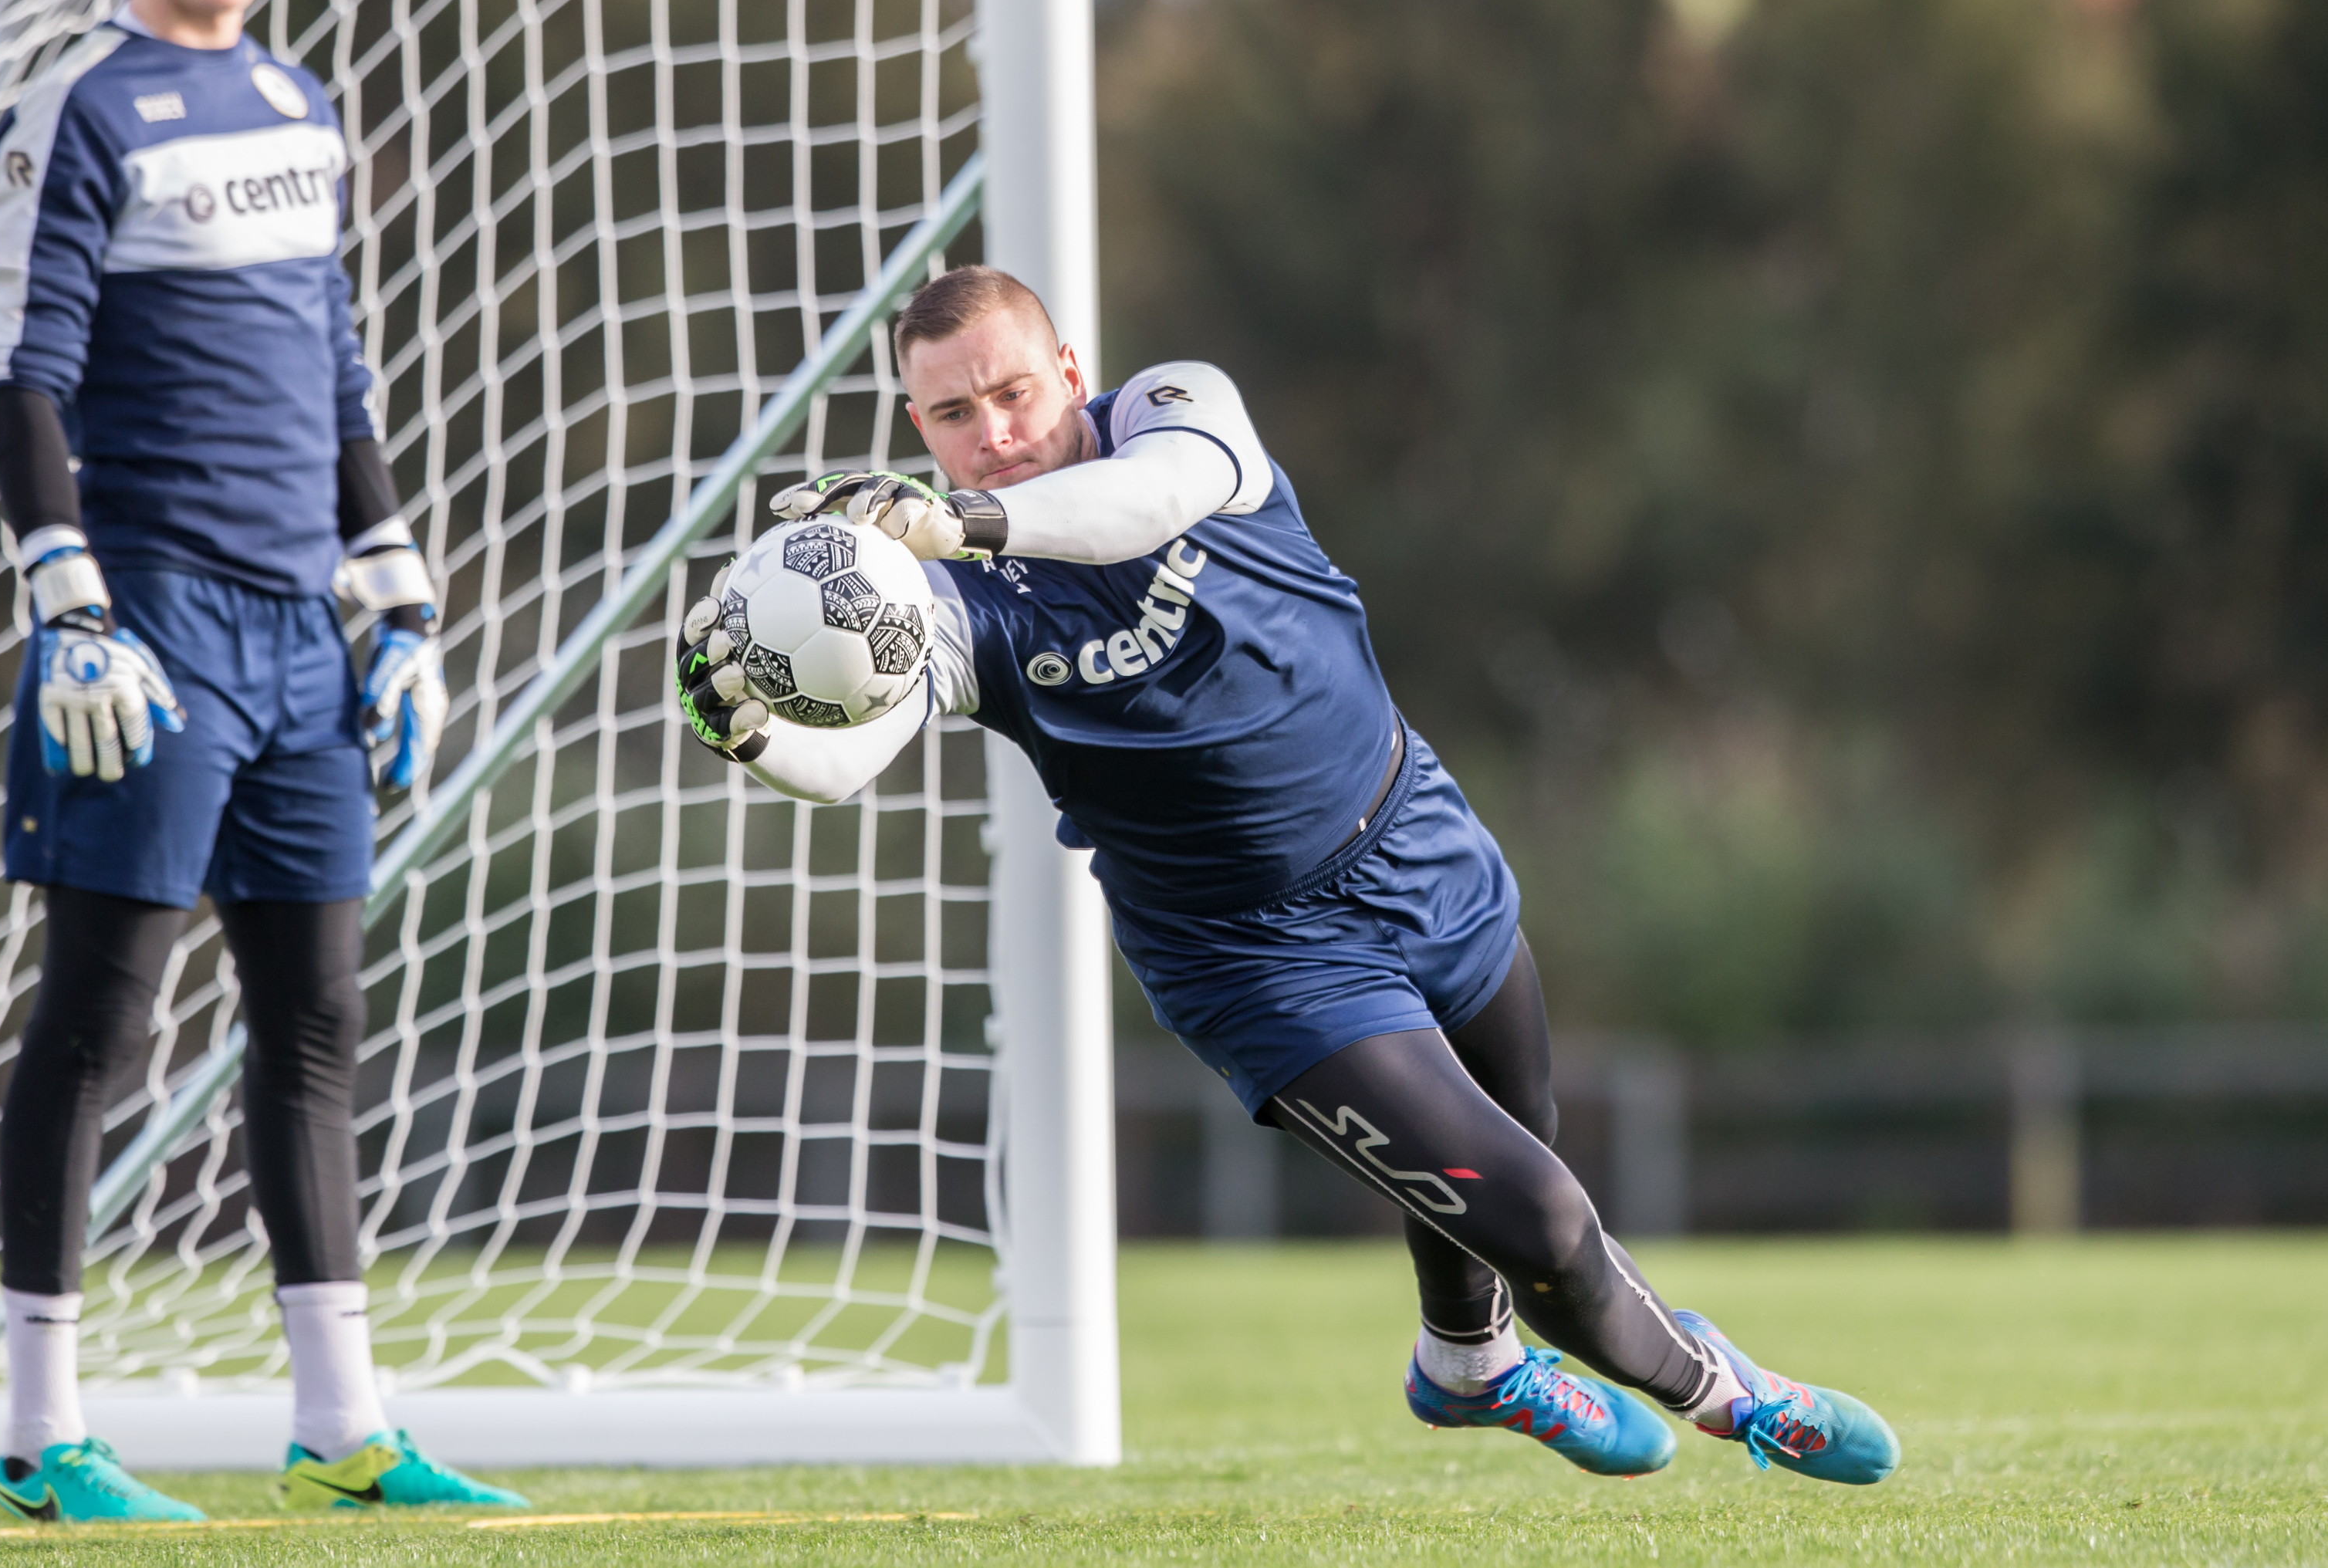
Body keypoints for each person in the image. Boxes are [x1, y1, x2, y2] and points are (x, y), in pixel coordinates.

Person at [676, 265, 1900, 1485]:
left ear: (1070, 375)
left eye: (1012, 394)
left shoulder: (1176, 409)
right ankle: (1731, 1392)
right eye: (953, 416)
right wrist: (746, 724)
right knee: (1545, 1217)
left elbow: (1146, 503)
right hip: (1257, 957)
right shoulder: (944, 601)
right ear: (916, 426)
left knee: (1516, 1142)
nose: (992, 437)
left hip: (1414, 835)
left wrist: (969, 520)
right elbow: (845, 764)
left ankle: (1467, 1366)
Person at [0, 0, 514, 1524]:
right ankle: (41, 1437)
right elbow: (23, 375)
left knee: (318, 1023)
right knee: (98, 1022)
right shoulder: (80, 106)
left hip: (303, 641)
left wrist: (403, 593)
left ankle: (340, 1421)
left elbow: (339, 378)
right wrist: (66, 594)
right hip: (145, 634)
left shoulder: (302, 103)